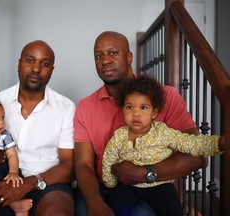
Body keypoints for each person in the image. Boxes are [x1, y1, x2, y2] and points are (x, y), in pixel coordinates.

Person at [74, 31, 207, 216]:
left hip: (154, 187)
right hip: (102, 189)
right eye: (98, 55)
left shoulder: (166, 97)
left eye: (113, 53)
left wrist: (144, 173)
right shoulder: (85, 106)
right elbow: (83, 164)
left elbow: (198, 155)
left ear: (129, 57)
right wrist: (94, 201)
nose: (105, 60)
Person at [0, 40, 75, 216]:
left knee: (57, 212)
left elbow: (69, 165)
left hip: (46, 183)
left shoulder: (65, 107)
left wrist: (30, 182)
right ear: (19, 64)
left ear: (51, 71)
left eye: (45, 64)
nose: (36, 69)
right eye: (30, 60)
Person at [102, 75, 224, 216]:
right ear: (123, 109)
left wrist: (218, 144)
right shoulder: (119, 136)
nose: (135, 113)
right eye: (129, 107)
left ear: (153, 113)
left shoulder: (162, 132)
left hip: (160, 185)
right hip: (129, 186)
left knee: (172, 210)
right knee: (115, 206)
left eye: (143, 107)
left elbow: (191, 143)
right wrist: (110, 183)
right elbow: (108, 159)